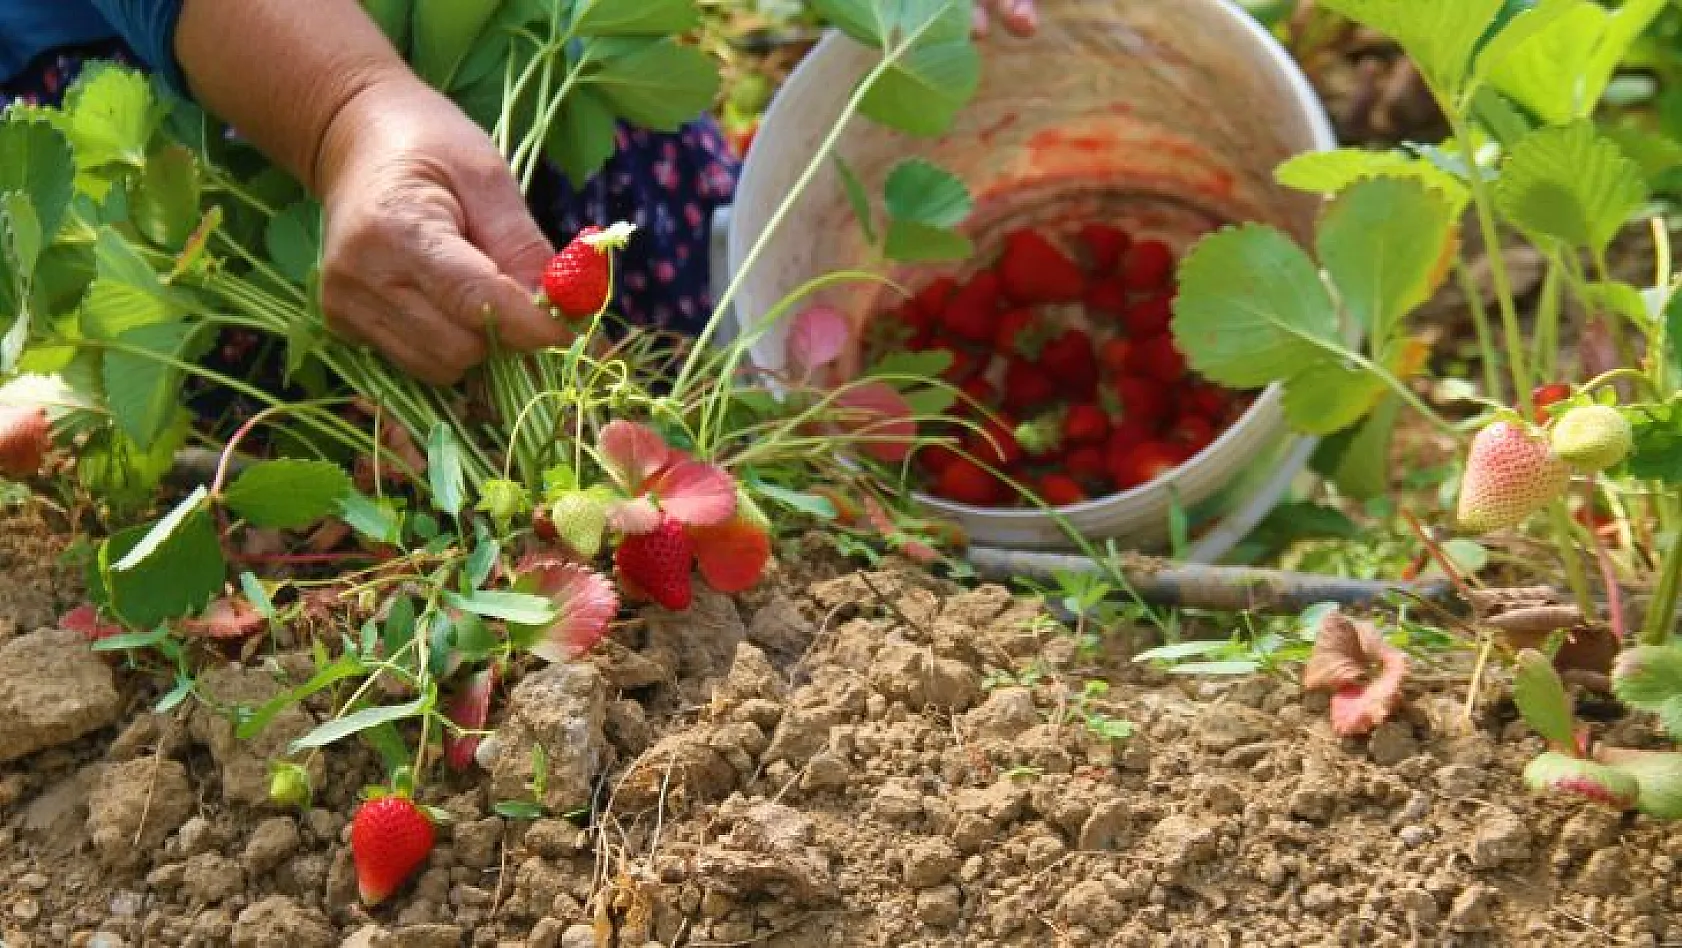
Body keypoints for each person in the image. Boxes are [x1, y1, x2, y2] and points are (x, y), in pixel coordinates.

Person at [0, 0, 1037, 386]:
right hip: (207, 77)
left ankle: (681, 355)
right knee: (303, 340)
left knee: (649, 254)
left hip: (537, 39)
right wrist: (346, 112)